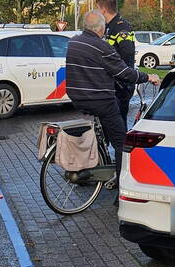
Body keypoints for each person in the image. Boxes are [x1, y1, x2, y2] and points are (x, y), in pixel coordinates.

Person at [66, 10, 159, 178]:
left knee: (103, 132)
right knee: (121, 142)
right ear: (100, 28)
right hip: (99, 100)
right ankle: (121, 186)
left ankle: (97, 163)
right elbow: (124, 72)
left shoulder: (74, 43)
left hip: (78, 98)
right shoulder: (102, 47)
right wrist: (147, 77)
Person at [96, 0, 136, 126]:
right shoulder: (108, 26)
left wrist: (114, 68)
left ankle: (121, 146)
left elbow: (127, 52)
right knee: (108, 123)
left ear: (103, 10)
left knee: (118, 123)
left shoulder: (120, 27)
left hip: (121, 84)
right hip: (111, 82)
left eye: (97, 9)